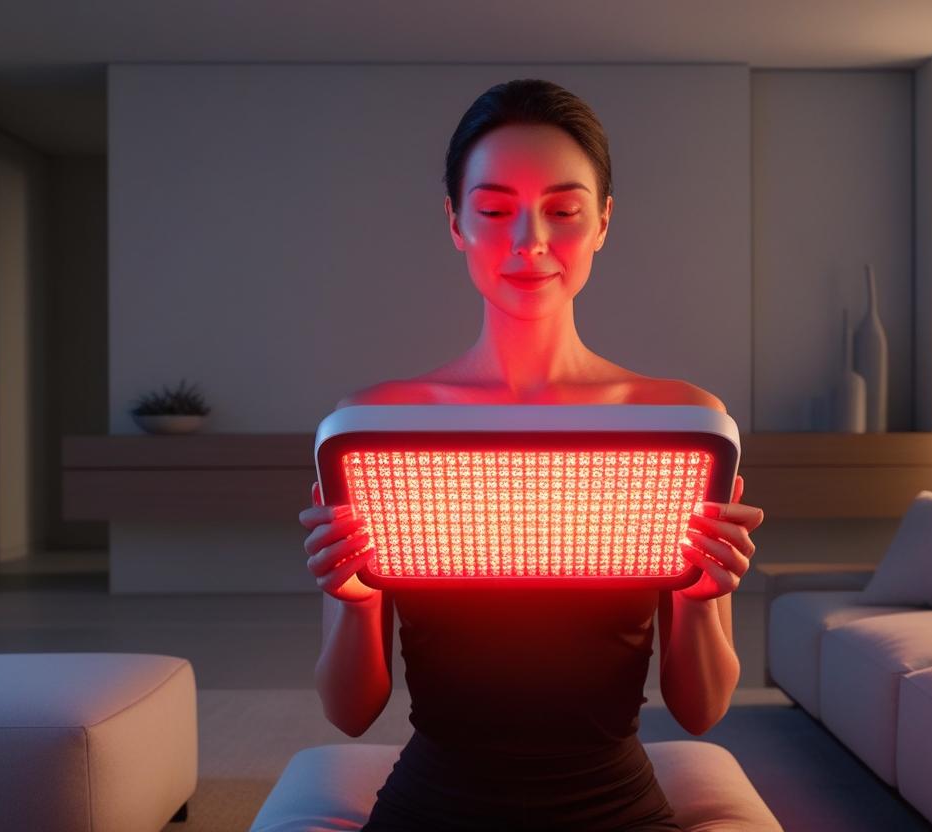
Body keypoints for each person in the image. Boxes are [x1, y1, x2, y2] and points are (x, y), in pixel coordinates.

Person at [296, 78, 766, 831]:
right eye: (493, 210)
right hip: (436, 805)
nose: (530, 242)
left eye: (564, 211)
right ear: (455, 221)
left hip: (615, 805)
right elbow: (349, 713)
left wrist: (702, 598)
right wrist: (352, 602)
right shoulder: (383, 428)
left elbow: (701, 708)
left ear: (604, 221)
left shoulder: (674, 426)